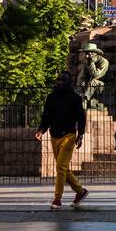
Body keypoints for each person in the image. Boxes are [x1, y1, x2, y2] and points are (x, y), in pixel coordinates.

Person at [35, 70, 89, 209]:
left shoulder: (75, 98)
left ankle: (57, 199)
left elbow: (81, 119)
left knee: (60, 167)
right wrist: (41, 130)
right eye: (58, 81)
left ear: (68, 83)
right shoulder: (51, 97)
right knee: (63, 168)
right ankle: (80, 191)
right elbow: (46, 116)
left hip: (68, 136)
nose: (59, 83)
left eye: (62, 81)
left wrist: (80, 135)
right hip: (54, 136)